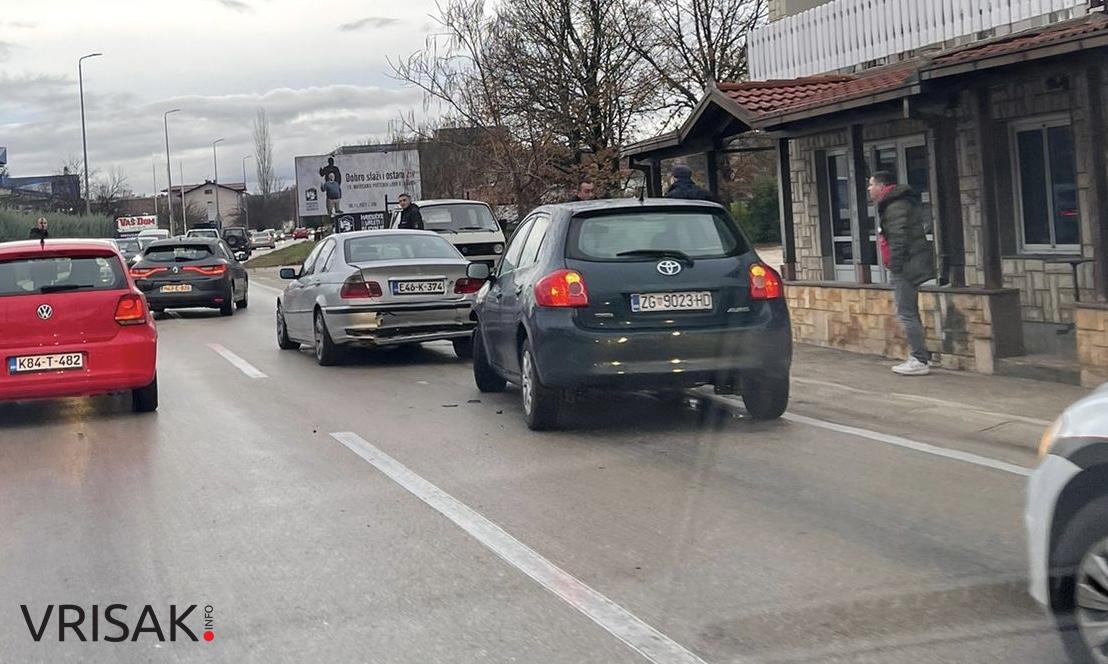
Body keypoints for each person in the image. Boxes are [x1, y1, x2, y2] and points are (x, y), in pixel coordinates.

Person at [870, 170, 935, 376]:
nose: (869, 189)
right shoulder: (896, 203)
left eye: (871, 184)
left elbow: (899, 237)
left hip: (905, 267)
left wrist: (895, 265)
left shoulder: (895, 205)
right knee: (910, 312)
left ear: (881, 186)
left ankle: (919, 359)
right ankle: (921, 355)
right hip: (908, 265)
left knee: (906, 313)